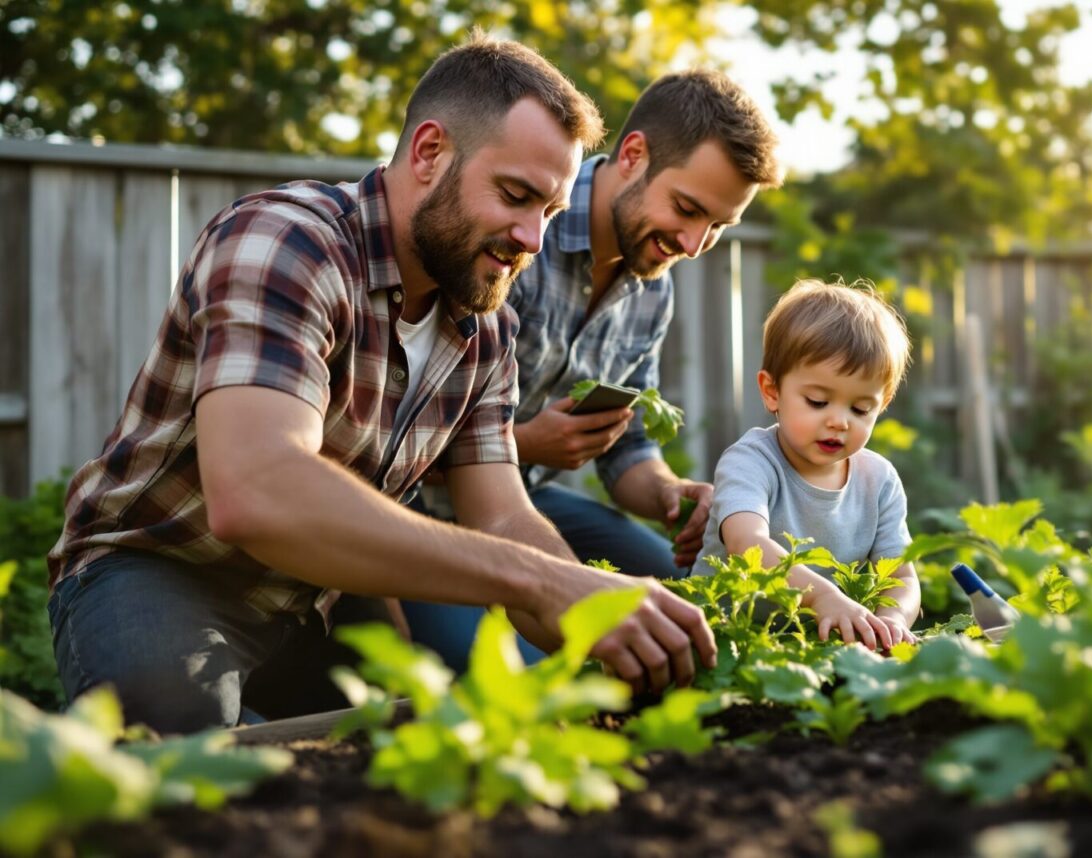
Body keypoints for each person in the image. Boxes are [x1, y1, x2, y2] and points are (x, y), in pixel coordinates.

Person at [44, 34, 715, 734]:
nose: (532, 239)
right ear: (428, 153)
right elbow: (257, 492)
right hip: (163, 567)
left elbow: (505, 517)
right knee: (180, 736)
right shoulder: (288, 242)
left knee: (433, 742)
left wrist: (598, 619)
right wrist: (540, 581)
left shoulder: (485, 329)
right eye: (516, 196)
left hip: (319, 596)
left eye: (549, 213)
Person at [402, 70, 781, 667]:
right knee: (529, 667)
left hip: (531, 504)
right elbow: (405, 432)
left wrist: (670, 496)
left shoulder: (651, 289)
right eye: (686, 209)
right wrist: (527, 444)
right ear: (633, 155)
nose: (692, 242)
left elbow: (626, 448)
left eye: (717, 226)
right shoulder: (512, 237)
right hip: (419, 509)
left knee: (694, 614)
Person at [691, 279, 921, 650]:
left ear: (883, 404)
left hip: (811, 646)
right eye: (817, 401)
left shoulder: (879, 481)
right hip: (726, 638)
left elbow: (901, 575)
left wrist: (891, 620)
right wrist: (823, 597)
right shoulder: (751, 461)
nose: (839, 422)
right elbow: (747, 543)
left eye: (861, 409)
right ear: (772, 391)